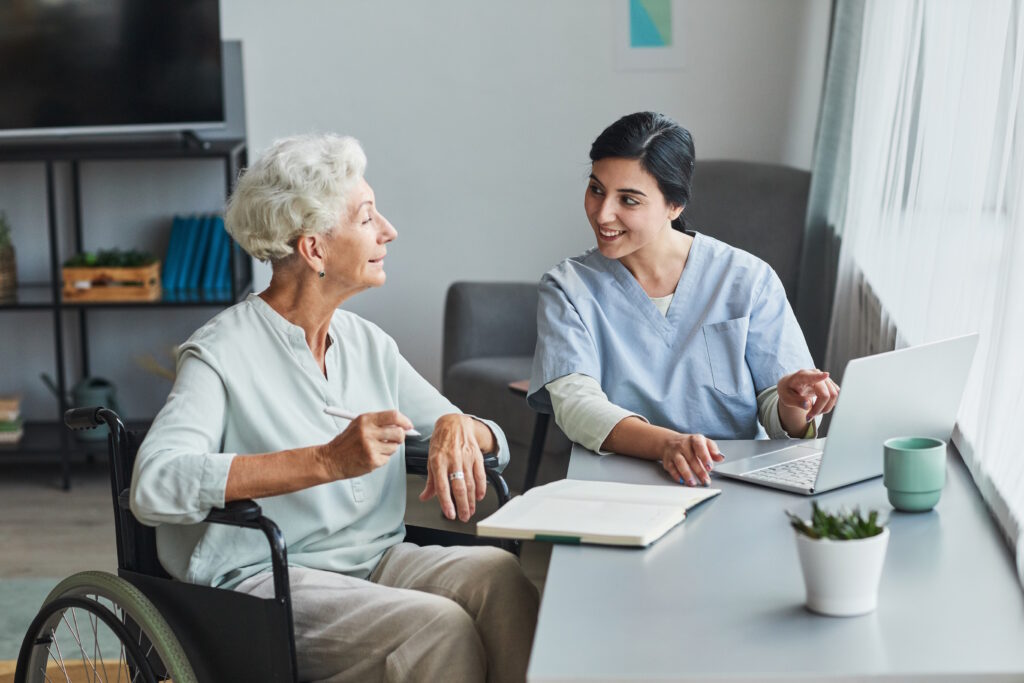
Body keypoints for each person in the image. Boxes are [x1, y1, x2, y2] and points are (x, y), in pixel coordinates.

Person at [131, 133, 538, 683]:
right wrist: (325, 460)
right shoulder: (220, 352)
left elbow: (489, 438)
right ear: (314, 248)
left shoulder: (368, 343)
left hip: (374, 561)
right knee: (438, 626)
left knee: (501, 576)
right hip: (266, 581)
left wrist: (454, 426)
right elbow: (155, 483)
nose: (389, 231)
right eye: (368, 218)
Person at [528, 112, 839, 488]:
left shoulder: (747, 280)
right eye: (596, 189)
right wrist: (668, 445)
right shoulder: (568, 287)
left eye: (628, 199)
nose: (603, 213)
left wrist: (792, 403)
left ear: (674, 206)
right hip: (618, 484)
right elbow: (577, 407)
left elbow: (783, 421)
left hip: (733, 481)